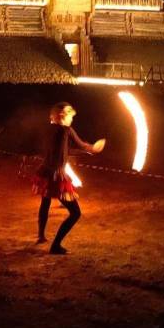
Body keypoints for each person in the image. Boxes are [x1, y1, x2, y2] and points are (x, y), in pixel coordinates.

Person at [33, 102, 105, 254]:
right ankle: (55, 246)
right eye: (70, 116)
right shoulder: (66, 130)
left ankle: (41, 236)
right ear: (63, 116)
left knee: (45, 201)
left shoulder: (49, 129)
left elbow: (63, 150)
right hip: (56, 175)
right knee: (75, 213)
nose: (72, 119)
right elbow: (77, 147)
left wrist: (85, 151)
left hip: (44, 171)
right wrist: (92, 148)